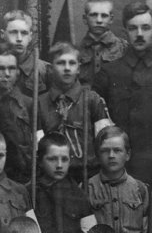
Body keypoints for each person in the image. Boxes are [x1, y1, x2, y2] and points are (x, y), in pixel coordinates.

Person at [93, 1, 152, 188]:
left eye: (146, 27)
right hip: (119, 169)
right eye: (133, 28)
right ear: (124, 32)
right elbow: (99, 126)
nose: (140, 34)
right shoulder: (109, 73)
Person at [39, 41, 113, 183]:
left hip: (87, 176)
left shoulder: (92, 100)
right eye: (61, 63)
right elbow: (38, 147)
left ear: (78, 68)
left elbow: (104, 141)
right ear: (51, 69)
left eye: (72, 63)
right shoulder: (40, 103)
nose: (67, 68)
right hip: (51, 177)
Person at [87, 126, 149, 233]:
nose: (111, 155)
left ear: (127, 154)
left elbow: (147, 230)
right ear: (97, 155)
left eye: (117, 150)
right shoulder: (88, 188)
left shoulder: (140, 189)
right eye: (105, 151)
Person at [33, 132, 96, 233]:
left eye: (64, 159)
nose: (59, 165)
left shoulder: (78, 194)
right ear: (40, 161)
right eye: (52, 159)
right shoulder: (31, 193)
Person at [0, 43, 34, 184]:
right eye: (0, 69)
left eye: (11, 68)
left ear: (18, 71)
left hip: (23, 179)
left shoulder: (29, 104)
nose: (7, 74)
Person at [0, 9, 53, 98]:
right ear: (2, 34)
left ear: (30, 36)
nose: (19, 39)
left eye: (24, 33)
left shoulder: (45, 71)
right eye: (14, 32)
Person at [78, 0, 128, 86]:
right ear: (85, 19)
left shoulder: (123, 48)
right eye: (94, 15)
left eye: (104, 15)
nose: (99, 20)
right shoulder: (77, 51)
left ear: (111, 19)